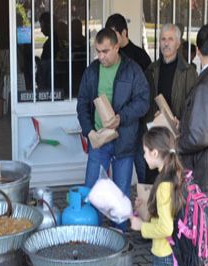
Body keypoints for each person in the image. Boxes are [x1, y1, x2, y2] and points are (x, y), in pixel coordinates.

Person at [77, 28, 149, 231]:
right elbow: (82, 103)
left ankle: (119, 235)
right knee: (92, 190)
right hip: (98, 139)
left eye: (105, 51)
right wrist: (89, 131)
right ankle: (93, 232)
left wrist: (121, 117)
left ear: (117, 47)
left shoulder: (132, 70)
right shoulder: (92, 70)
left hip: (124, 140)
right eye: (98, 51)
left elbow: (143, 101)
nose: (101, 56)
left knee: (121, 192)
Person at [130, 127, 189, 266]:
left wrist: (141, 226)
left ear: (154, 153)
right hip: (170, 252)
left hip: (166, 255)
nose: (143, 156)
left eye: (145, 151)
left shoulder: (164, 185)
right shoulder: (175, 174)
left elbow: (166, 228)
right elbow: (168, 214)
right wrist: (143, 210)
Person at [145, 23, 197, 184]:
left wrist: (181, 121)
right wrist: (151, 115)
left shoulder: (188, 72)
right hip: (155, 135)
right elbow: (145, 99)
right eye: (163, 39)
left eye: (170, 39)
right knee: (154, 181)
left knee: (173, 183)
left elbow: (193, 105)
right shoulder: (152, 70)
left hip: (176, 136)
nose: (166, 43)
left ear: (178, 43)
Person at [106, 13, 152, 185]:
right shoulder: (109, 58)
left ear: (124, 32)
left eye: (114, 35)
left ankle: (146, 203)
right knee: (119, 175)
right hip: (115, 125)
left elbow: (146, 95)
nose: (111, 40)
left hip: (138, 124)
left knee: (142, 168)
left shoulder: (140, 57)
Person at [179, 24, 208, 193]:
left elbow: (198, 136)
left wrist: (175, 144)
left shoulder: (204, 85)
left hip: (202, 168)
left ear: (197, 51)